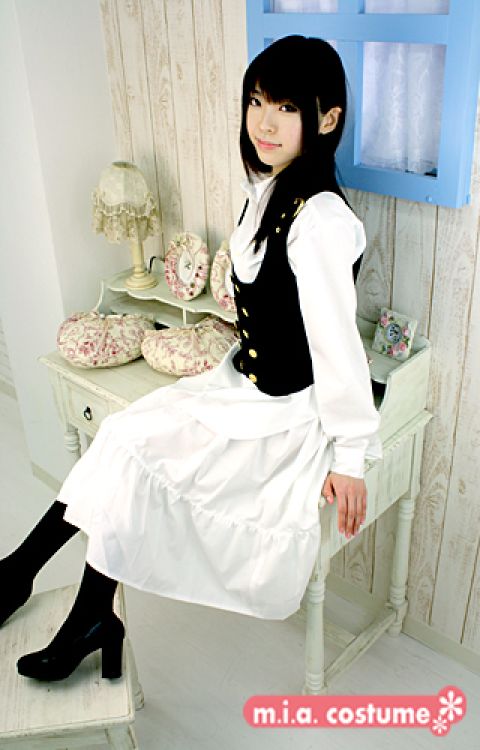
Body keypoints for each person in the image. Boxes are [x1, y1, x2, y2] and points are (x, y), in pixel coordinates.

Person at [2, 35, 382, 682]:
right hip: (241, 383)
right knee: (118, 440)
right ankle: (34, 581)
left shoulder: (320, 220)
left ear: (327, 119)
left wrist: (350, 459)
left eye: (287, 107)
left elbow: (337, 345)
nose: (264, 122)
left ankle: (64, 603)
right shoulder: (269, 189)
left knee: (131, 453)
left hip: (283, 412)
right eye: (256, 101)